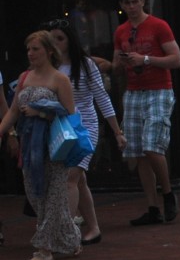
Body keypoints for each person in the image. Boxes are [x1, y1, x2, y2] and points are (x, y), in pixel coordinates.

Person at [0, 31, 80, 260]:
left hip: (54, 146)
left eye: (35, 49)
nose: (30, 53)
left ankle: (44, 249)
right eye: (28, 49)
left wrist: (41, 112)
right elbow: (13, 111)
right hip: (30, 146)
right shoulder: (24, 77)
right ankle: (71, 239)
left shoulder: (59, 79)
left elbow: (70, 112)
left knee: (53, 197)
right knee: (35, 195)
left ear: (48, 51)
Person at [44, 18, 125, 245]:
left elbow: (102, 98)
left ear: (70, 40)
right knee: (79, 181)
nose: (56, 43)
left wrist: (117, 131)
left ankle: (65, 232)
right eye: (52, 39)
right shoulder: (49, 66)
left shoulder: (86, 65)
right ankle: (93, 228)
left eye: (60, 38)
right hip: (61, 128)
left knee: (71, 177)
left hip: (85, 127)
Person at [112, 0, 180, 226]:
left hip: (158, 89)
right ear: (121, 6)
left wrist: (145, 59)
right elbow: (116, 65)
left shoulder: (158, 26)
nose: (131, 7)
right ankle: (152, 207)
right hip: (133, 91)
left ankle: (168, 193)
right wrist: (120, 63)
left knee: (152, 145)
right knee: (138, 152)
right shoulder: (121, 31)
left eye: (134, 1)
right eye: (126, 3)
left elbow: (177, 60)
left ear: (143, 1)